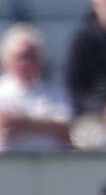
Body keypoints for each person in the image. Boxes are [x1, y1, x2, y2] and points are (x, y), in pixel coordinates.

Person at [0, 24, 73, 153]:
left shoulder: (54, 92)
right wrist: (45, 125)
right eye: (21, 57)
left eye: (31, 56)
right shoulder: (2, 91)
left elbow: (66, 130)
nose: (26, 62)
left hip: (52, 163)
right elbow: (4, 126)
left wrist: (22, 124)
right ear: (7, 60)